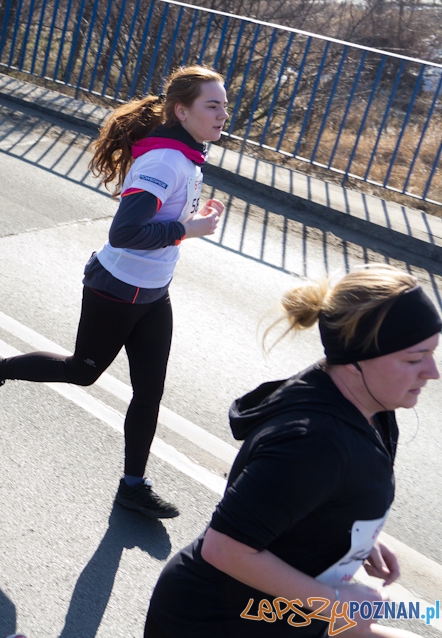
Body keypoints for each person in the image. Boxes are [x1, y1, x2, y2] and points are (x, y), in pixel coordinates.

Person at [0, 65, 229, 519]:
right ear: (182, 111)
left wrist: (189, 219)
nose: (223, 113)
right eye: (213, 105)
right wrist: (188, 227)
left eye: (224, 104)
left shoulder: (185, 156)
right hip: (116, 289)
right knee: (82, 371)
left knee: (149, 392)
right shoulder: (164, 161)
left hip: (152, 293)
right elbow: (126, 231)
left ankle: (133, 485)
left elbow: (161, 222)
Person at [145, 264, 440, 637]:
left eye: (432, 353)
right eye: (415, 358)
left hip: (288, 614)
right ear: (354, 361)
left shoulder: (370, 406)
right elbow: (224, 548)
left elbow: (319, 493)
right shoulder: (313, 441)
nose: (432, 372)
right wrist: (332, 599)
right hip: (218, 621)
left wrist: (352, 533)